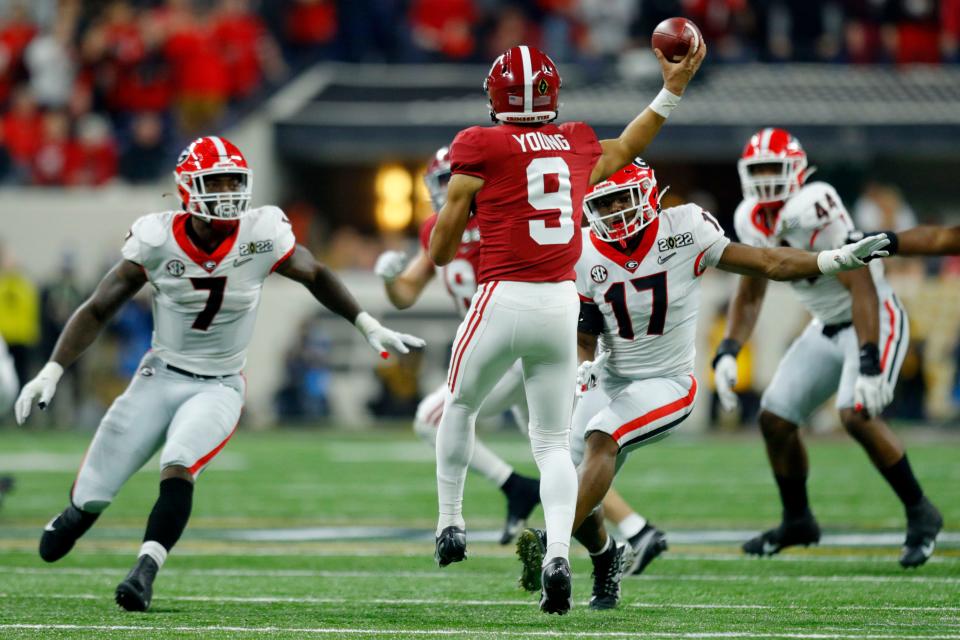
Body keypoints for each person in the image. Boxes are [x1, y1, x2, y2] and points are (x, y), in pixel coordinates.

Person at [14, 136, 424, 612]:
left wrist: (367, 324)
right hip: (159, 375)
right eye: (216, 182)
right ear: (188, 189)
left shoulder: (261, 231)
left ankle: (144, 572)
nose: (228, 193)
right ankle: (75, 514)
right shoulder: (156, 237)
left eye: (235, 182)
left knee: (180, 462)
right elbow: (99, 306)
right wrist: (52, 370)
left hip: (220, 385)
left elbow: (315, 274)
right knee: (93, 498)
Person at [515, 158, 890, 610]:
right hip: (610, 377)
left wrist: (831, 259)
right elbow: (586, 333)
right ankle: (606, 556)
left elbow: (767, 260)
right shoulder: (585, 252)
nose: (614, 210)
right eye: (604, 202)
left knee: (602, 439)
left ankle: (551, 549)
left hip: (667, 382)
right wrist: (583, 364)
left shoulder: (686, 227)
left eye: (622, 198)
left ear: (649, 194)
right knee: (566, 477)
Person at [427, 38, 708, 615]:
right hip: (559, 304)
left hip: (502, 295)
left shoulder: (477, 143)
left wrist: (468, 211)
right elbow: (630, 144)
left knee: (457, 407)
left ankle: (450, 521)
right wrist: (671, 89)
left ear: (496, 96)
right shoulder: (577, 139)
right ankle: (559, 554)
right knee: (553, 444)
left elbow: (440, 250)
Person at [376, 147, 653, 548]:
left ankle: (511, 490)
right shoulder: (440, 228)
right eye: (442, 182)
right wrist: (389, 280)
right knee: (555, 451)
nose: (449, 190)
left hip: (512, 341)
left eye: (452, 179)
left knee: (433, 419)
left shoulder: (505, 216)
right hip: (497, 344)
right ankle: (635, 531)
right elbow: (405, 293)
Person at [712, 128, 941, 568]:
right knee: (775, 418)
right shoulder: (747, 218)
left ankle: (921, 512)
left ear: (797, 171)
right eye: (757, 170)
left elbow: (862, 284)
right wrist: (728, 348)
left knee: (855, 415)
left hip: (872, 316)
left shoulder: (813, 204)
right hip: (824, 325)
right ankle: (797, 520)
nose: (764, 180)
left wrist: (871, 359)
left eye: (772, 170)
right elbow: (751, 291)